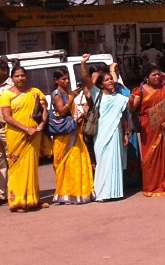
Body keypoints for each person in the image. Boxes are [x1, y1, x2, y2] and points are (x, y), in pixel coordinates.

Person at [81, 55, 130, 202]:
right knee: (103, 162)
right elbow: (85, 78)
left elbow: (123, 116)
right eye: (107, 80)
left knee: (115, 161)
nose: (111, 82)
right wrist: (83, 63)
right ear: (101, 84)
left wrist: (126, 133)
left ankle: (114, 192)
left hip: (116, 132)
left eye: (111, 80)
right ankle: (102, 193)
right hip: (102, 133)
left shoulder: (119, 98)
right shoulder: (97, 95)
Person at [1, 63, 48, 211]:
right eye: (17, 76)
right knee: (16, 168)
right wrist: (26, 129)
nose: (20, 78)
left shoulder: (35, 92)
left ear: (26, 77)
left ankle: (33, 199)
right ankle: (18, 202)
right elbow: (7, 117)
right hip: (16, 135)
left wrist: (40, 127)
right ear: (12, 78)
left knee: (32, 167)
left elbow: (44, 110)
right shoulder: (6, 95)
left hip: (34, 135)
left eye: (22, 75)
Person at [128, 65, 165, 197]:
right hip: (148, 127)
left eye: (158, 75)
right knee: (150, 156)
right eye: (153, 75)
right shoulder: (140, 91)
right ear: (146, 78)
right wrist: (130, 102)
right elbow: (132, 109)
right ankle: (151, 185)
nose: (157, 77)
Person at [50, 68, 92, 204]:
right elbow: (62, 112)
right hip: (63, 135)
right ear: (56, 80)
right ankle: (66, 192)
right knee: (64, 163)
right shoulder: (57, 94)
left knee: (77, 161)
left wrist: (82, 114)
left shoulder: (68, 93)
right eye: (63, 79)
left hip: (73, 132)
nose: (66, 81)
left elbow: (72, 113)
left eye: (67, 78)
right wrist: (72, 98)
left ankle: (78, 192)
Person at [0, 59, 11, 204]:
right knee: (1, 162)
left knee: (12, 159)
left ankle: (14, 192)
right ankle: (2, 194)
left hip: (8, 128)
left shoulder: (12, 86)